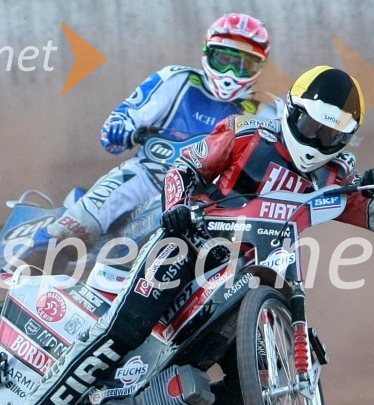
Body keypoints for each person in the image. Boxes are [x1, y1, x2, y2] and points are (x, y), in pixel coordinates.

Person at [5, 66, 374, 405]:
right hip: (189, 243)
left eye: (331, 135)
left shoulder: (337, 175)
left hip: (248, 278)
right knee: (126, 328)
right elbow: (184, 167)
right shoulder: (248, 133)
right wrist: (177, 208)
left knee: (258, 385)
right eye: (312, 127)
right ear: (292, 112)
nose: (318, 141)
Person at [41, 13, 273, 251]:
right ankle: (35, 251)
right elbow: (120, 123)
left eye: (243, 65)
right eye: (224, 59)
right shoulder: (176, 79)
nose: (231, 72)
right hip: (148, 177)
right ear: (207, 53)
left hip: (204, 200)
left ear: (259, 66)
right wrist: (122, 129)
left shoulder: (264, 113)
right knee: (76, 227)